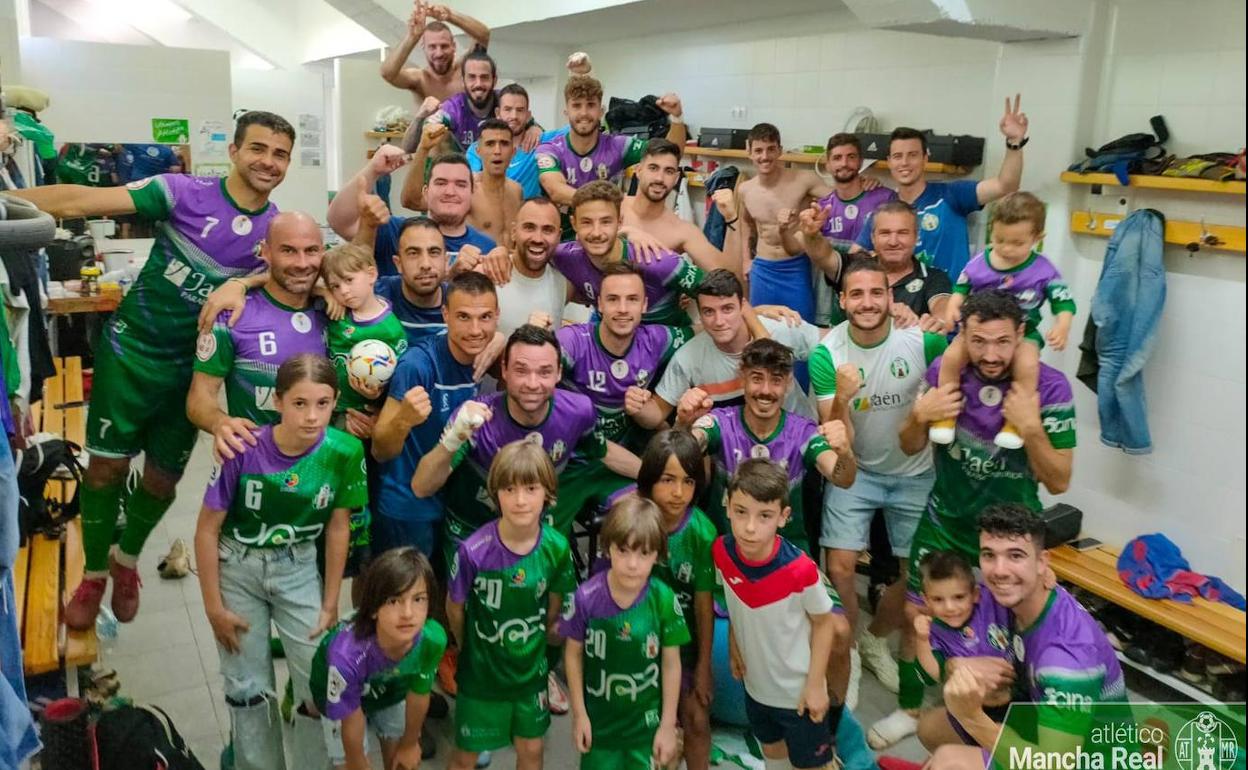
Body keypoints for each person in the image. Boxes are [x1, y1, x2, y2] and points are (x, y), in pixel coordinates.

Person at [14, 111, 295, 631]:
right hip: (131, 353)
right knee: (105, 470)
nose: (268, 162)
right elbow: (79, 200)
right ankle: (94, 573)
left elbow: (307, 270)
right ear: (233, 151)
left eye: (280, 153)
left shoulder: (276, 231)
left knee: (163, 483)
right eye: (258, 148)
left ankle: (126, 562)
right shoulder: (181, 192)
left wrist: (245, 284)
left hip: (191, 374)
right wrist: (9, 206)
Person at [868, 289, 1076, 750]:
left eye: (1003, 342)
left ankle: (1014, 724)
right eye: (979, 341)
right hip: (946, 522)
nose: (991, 354)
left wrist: (1032, 426)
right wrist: (919, 417)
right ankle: (909, 707)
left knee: (1020, 628)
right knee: (918, 615)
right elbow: (908, 446)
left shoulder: (1050, 387)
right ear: (962, 333)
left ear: (1022, 335)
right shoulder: (944, 375)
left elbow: (1059, 480)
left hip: (1012, 538)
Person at [193, 354, 365, 770]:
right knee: (247, 689)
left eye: (323, 404)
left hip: (299, 567)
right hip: (238, 568)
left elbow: (339, 529)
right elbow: (206, 531)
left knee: (318, 683)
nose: (311, 416)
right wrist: (215, 609)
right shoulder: (242, 448)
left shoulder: (344, 451)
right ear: (278, 402)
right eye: (299, 403)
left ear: (336, 402)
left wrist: (330, 603)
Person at [809, 259, 947, 705]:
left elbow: (958, 366)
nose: (867, 303)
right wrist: (843, 398)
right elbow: (838, 440)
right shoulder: (826, 353)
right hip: (858, 472)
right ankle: (845, 653)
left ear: (891, 298)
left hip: (916, 473)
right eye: (857, 294)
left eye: (876, 293)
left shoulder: (922, 343)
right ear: (843, 300)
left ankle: (875, 637)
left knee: (917, 576)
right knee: (840, 568)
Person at [410, 324, 641, 571]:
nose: (533, 383)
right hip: (472, 533)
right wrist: (454, 437)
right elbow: (422, 487)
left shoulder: (578, 411)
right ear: (505, 371)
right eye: (521, 370)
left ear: (559, 373)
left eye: (544, 372)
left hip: (535, 534)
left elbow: (604, 453)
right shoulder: (475, 416)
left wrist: (656, 472)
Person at [927, 505, 1124, 767]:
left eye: (1015, 555)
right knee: (932, 727)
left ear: (1042, 562)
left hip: (1086, 758)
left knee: (948, 762)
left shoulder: (1067, 660)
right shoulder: (1010, 597)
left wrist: (973, 717)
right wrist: (956, 664)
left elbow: (1052, 764)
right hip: (1034, 717)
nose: (999, 570)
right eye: (989, 555)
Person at [445, 441, 577, 770]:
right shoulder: (473, 551)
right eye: (509, 489)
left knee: (532, 752)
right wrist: (467, 647)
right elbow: (455, 608)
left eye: (531, 488)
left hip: (530, 676)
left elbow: (555, 610)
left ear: (547, 493)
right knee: (465, 757)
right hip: (481, 677)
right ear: (495, 493)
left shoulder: (557, 549)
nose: (520, 500)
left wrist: (549, 645)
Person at [713, 459, 848, 770]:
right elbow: (735, 601)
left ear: (784, 517)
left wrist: (816, 686)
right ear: (727, 506)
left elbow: (825, 623)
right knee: (773, 754)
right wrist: (734, 640)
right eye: (741, 511)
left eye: (764, 516)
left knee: (814, 765)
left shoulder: (801, 570)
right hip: (756, 688)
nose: (750, 527)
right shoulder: (722, 551)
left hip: (797, 695)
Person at [685, 339, 856, 557]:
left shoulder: (803, 432)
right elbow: (685, 449)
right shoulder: (720, 423)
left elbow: (843, 478)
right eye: (757, 378)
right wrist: (683, 423)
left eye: (776, 380)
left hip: (787, 559)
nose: (765, 391)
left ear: (788, 382)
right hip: (724, 556)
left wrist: (845, 453)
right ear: (742, 377)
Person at [931, 191, 1075, 449]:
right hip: (977, 332)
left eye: (1017, 243)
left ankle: (1014, 422)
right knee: (950, 358)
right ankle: (946, 413)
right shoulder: (979, 264)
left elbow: (1063, 302)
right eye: (999, 240)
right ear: (991, 233)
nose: (1007, 249)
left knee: (1028, 366)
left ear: (1037, 239)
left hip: (1024, 332)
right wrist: (953, 309)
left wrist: (1062, 325)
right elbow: (960, 290)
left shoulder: (1043, 270)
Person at [371, 270, 499, 559]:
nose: (476, 329)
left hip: (458, 503)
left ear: (497, 316)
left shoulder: (494, 356)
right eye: (464, 317)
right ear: (445, 314)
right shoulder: (418, 365)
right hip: (408, 506)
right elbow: (380, 450)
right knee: (399, 593)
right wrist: (403, 418)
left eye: (485, 317)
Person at [559, 496, 688, 769]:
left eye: (644, 553)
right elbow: (572, 655)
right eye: (624, 550)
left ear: (658, 554)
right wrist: (579, 715)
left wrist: (667, 724)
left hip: (646, 729)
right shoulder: (585, 599)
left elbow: (671, 663)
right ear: (608, 548)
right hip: (600, 728)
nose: (632, 564)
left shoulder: (664, 601)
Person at [187, 212, 330, 456]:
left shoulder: (336, 310)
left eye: (311, 251)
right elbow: (199, 399)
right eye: (288, 251)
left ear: (323, 253)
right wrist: (220, 423)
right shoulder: (230, 316)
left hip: (324, 468)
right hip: (256, 466)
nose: (302, 263)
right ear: (266, 252)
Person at [856, 97, 1029, 278]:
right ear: (890, 162)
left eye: (912, 155)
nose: (905, 162)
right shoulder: (883, 212)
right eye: (898, 156)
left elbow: (1006, 185)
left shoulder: (952, 194)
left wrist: (1014, 143)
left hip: (950, 302)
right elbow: (856, 254)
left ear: (925, 159)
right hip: (902, 303)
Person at [628, 269, 821, 429]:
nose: (719, 321)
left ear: (743, 307)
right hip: (736, 460)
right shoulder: (687, 358)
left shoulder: (779, 327)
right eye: (709, 312)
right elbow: (656, 414)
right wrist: (638, 405)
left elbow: (835, 342)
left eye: (727, 309)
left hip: (800, 444)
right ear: (700, 315)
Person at [310, 547, 445, 770]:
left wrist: (410, 743)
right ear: (372, 608)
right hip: (337, 686)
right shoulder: (346, 658)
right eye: (393, 601)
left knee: (403, 762)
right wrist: (356, 762)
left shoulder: (432, 639)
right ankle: (307, 711)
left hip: (392, 687)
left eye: (419, 599)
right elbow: (351, 725)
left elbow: (419, 693)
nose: (408, 613)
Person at [636, 430, 716, 770]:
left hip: (684, 647)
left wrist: (703, 666)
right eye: (668, 480)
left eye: (688, 481)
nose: (678, 492)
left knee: (696, 719)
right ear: (650, 479)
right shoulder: (631, 520)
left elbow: (702, 605)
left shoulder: (702, 533)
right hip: (637, 642)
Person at [555, 262, 692, 452]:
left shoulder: (656, 340)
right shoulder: (574, 341)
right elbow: (531, 364)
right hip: (570, 455)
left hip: (622, 460)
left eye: (632, 299)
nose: (623, 309)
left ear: (644, 305)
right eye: (613, 299)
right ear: (600, 304)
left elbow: (707, 332)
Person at [551, 181, 707, 329]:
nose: (596, 232)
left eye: (606, 222)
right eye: (586, 222)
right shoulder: (565, 255)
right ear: (574, 224)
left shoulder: (657, 261)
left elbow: (715, 291)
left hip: (667, 350)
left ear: (619, 222)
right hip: (611, 346)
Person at [720, 122, 833, 323]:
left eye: (771, 149)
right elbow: (746, 224)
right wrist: (747, 260)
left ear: (780, 150)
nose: (765, 156)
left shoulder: (803, 180)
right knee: (763, 330)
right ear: (749, 153)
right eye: (759, 151)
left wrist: (864, 182)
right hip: (762, 269)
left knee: (800, 328)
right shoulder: (745, 189)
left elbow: (839, 200)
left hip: (795, 266)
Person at [329, 148, 498, 276]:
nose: (450, 192)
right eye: (441, 183)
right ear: (425, 192)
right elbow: (339, 221)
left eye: (460, 184)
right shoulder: (394, 230)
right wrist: (374, 169)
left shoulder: (487, 248)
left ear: (472, 192)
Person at [791, 133, 897, 326]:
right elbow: (799, 247)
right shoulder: (821, 209)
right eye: (837, 158)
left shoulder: (884, 199)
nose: (844, 163)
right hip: (829, 303)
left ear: (860, 161)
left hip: (872, 297)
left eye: (851, 157)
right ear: (828, 164)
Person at [911, 550, 1013, 751]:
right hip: (975, 709)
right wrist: (921, 640)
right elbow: (935, 674)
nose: (950, 607)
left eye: (959, 597)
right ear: (926, 600)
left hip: (1016, 698)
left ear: (975, 594)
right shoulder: (935, 631)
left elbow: (1017, 586)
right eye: (938, 599)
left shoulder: (990, 602)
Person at [537, 74, 686, 207]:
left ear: (601, 111)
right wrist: (612, 202)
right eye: (576, 105)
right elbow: (555, 190)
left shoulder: (618, 146)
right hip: (559, 236)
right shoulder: (550, 150)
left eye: (591, 105)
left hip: (605, 234)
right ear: (566, 112)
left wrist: (677, 118)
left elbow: (669, 154)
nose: (584, 113)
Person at [321, 204, 410, 418]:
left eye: (349, 280)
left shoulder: (390, 329)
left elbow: (400, 380)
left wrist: (375, 397)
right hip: (330, 410)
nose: (343, 291)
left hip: (366, 414)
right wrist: (324, 294)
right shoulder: (335, 311)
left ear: (371, 274)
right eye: (335, 286)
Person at [621, 138, 736, 274]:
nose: (659, 178)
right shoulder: (615, 206)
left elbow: (728, 278)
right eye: (653, 168)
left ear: (676, 178)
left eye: (668, 171)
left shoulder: (683, 231)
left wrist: (732, 218)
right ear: (638, 171)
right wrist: (625, 232)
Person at [414, 118, 523, 246]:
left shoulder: (517, 190)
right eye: (490, 144)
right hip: (474, 263)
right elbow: (413, 201)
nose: (497, 151)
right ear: (478, 150)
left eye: (504, 144)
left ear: (513, 151)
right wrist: (422, 150)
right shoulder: (467, 188)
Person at [466, 84, 567, 200]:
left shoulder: (541, 141)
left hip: (530, 215)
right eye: (508, 109)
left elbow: (577, 125)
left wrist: (580, 75)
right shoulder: (478, 148)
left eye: (520, 110)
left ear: (528, 115)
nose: (514, 116)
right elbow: (471, 183)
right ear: (498, 113)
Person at [862, 200, 954, 327]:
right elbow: (826, 256)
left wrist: (938, 320)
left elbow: (941, 305)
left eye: (902, 233)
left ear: (917, 237)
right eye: (885, 233)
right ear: (873, 238)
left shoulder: (934, 278)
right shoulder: (855, 272)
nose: (893, 242)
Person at [380, 1, 491, 103]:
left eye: (444, 46)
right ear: (423, 47)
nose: (439, 53)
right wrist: (411, 37)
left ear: (454, 46)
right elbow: (388, 74)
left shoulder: (466, 68)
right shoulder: (420, 79)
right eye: (432, 47)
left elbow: (483, 36)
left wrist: (450, 16)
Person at [492, 197, 570, 337]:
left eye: (547, 230)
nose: (537, 239)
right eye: (529, 227)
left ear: (559, 237)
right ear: (514, 232)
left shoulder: (565, 282)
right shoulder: (489, 273)